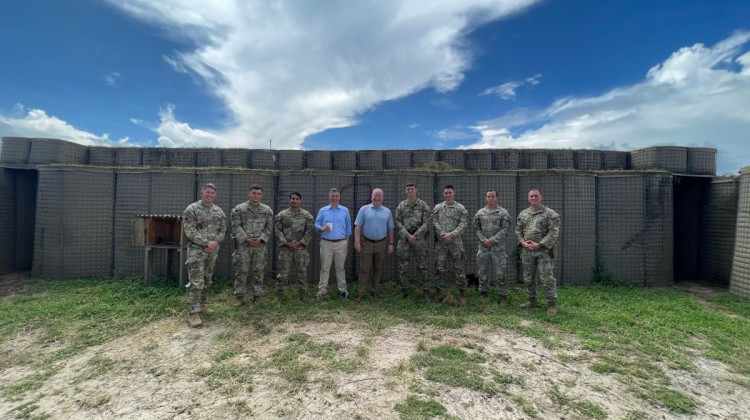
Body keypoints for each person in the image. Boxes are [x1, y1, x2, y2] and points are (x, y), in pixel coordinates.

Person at [183, 183, 226, 328]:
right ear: (202, 192)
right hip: (197, 251)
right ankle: (193, 313)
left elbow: (222, 231)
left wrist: (214, 243)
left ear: (215, 195)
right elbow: (189, 230)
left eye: (212, 193)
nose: (209, 195)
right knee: (196, 281)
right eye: (207, 192)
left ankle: (201, 305)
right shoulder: (192, 209)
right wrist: (205, 243)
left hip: (212, 251)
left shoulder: (219, 212)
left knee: (207, 280)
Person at [516, 189, 561, 315]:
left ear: (541, 198)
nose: (533, 198)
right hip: (527, 251)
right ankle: (532, 300)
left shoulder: (550, 214)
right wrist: (522, 242)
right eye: (531, 196)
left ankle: (551, 304)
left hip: (544, 251)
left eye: (536, 196)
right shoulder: (523, 214)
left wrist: (540, 244)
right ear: (528, 198)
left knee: (547, 278)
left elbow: (554, 232)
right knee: (528, 278)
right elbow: (518, 230)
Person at [231, 185, 273, 306]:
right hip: (243, 245)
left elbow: (269, 227)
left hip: (260, 246)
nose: (256, 195)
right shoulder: (239, 209)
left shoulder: (267, 210)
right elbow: (235, 226)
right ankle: (239, 296)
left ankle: (257, 296)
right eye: (254, 193)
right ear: (248, 194)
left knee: (259, 271)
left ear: (262, 196)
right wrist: (246, 239)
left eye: (259, 194)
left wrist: (261, 239)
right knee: (241, 271)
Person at [354, 188, 395, 303]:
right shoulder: (364, 209)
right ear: (371, 196)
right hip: (366, 243)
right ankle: (361, 293)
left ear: (383, 198)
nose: (377, 198)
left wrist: (391, 243)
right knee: (364, 269)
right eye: (375, 195)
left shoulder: (387, 211)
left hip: (381, 244)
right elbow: (358, 226)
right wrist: (357, 241)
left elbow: (390, 228)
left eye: (379, 196)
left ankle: (374, 291)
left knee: (378, 268)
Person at [473, 190, 512, 305]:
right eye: (488, 196)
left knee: (500, 273)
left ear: (497, 198)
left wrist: (492, 240)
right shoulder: (479, 213)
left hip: (498, 248)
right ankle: (484, 293)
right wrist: (483, 240)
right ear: (485, 198)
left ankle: (503, 295)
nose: (490, 198)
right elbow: (476, 228)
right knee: (482, 272)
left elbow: (505, 229)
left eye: (493, 196)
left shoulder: (503, 213)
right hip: (483, 247)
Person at [394, 182, 432, 299]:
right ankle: (404, 290)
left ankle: (425, 291)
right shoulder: (401, 206)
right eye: (408, 189)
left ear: (416, 190)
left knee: (422, 266)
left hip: (419, 240)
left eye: (412, 189)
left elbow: (427, 222)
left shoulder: (423, 205)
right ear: (405, 191)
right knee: (403, 267)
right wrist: (407, 235)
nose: (410, 191)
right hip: (404, 239)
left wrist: (415, 235)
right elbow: (397, 221)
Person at [433, 185, 469, 304]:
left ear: (454, 193)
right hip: (441, 243)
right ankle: (439, 293)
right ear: (443, 194)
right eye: (446, 193)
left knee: (459, 269)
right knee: (439, 268)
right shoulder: (438, 208)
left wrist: (451, 235)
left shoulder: (460, 208)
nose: (448, 195)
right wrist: (443, 234)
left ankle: (462, 293)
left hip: (456, 243)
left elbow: (463, 224)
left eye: (450, 193)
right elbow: (434, 222)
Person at [274, 192, 314, 301]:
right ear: (289, 200)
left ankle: (303, 296)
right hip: (286, 249)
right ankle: (279, 296)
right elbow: (277, 230)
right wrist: (284, 242)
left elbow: (309, 231)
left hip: (300, 250)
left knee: (302, 273)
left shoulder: (307, 216)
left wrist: (300, 243)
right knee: (283, 274)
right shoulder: (282, 215)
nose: (294, 201)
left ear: (300, 201)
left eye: (297, 199)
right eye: (292, 199)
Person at [314, 188, 352, 300]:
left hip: (341, 243)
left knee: (340, 268)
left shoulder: (345, 210)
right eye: (332, 196)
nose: (334, 198)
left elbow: (348, 228)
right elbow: (316, 224)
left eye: (336, 196)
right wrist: (321, 228)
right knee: (325, 268)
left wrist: (346, 242)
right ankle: (322, 291)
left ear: (339, 197)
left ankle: (343, 290)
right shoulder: (323, 210)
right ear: (329, 197)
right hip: (326, 243)